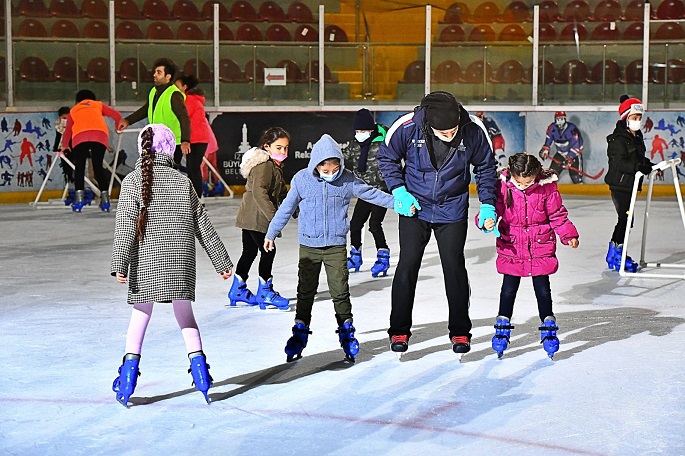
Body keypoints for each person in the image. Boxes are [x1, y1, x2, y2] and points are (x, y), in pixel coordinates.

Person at [110, 124, 233, 407]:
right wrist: (221, 262)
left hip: (146, 263)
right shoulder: (182, 181)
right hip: (180, 265)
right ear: (171, 149)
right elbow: (202, 224)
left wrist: (120, 264)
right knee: (186, 316)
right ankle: (201, 375)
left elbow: (125, 228)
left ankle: (128, 378)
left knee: (140, 314)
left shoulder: (131, 182)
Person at [377, 91, 498, 356]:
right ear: (429, 124)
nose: (450, 134)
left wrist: (488, 204)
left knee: (454, 267)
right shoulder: (407, 126)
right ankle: (399, 329)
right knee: (407, 265)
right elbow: (386, 157)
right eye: (443, 132)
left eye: (453, 129)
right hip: (415, 207)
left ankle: (460, 331)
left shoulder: (474, 129)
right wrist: (398, 190)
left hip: (452, 207)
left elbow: (486, 168)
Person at [264, 134, 395, 363]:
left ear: (339, 165)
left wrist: (399, 203)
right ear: (316, 165)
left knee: (340, 292)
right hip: (309, 246)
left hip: (335, 246)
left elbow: (371, 194)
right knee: (305, 292)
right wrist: (271, 233)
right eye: (324, 169)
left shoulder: (347, 180)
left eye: (333, 168)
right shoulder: (302, 180)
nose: (329, 173)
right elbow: (286, 208)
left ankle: (346, 334)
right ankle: (299, 333)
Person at [477, 152, 579, 360]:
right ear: (511, 174)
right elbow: (493, 209)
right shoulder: (503, 185)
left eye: (529, 181)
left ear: (537, 175)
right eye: (519, 181)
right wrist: (486, 220)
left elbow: (557, 214)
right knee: (508, 289)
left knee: (543, 290)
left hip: (539, 246)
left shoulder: (546, 187)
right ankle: (502, 322)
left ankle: (548, 323)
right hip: (512, 245)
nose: (523, 185)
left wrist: (568, 235)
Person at [229, 127, 291, 311]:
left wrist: (293, 208)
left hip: (249, 216)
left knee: (249, 252)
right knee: (268, 251)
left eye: (286, 148)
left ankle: (237, 289)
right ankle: (265, 292)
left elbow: (280, 191)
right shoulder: (264, 165)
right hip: (257, 217)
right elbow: (259, 192)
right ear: (267, 146)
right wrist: (275, 219)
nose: (283, 152)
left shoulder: (274, 165)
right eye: (278, 147)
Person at [604, 95, 655, 273]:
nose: (637, 122)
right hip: (620, 185)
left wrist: (650, 165)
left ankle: (615, 251)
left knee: (626, 220)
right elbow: (619, 164)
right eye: (634, 118)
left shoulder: (637, 137)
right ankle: (616, 253)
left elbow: (639, 158)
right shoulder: (617, 139)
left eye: (639, 118)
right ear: (625, 118)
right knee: (625, 219)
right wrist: (638, 167)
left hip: (631, 184)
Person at [341, 108, 391, 277]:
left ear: (371, 129)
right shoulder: (355, 144)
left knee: (375, 225)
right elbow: (341, 156)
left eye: (363, 131)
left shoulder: (384, 144)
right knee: (355, 224)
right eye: (357, 131)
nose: (359, 134)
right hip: (364, 191)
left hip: (381, 191)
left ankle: (383, 257)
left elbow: (395, 162)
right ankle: (355, 256)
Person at [117, 58, 191, 164]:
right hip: (159, 141)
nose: (154, 75)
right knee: (158, 176)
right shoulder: (154, 91)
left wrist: (185, 140)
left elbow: (183, 117)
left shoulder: (174, 94)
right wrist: (128, 120)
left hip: (172, 143)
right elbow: (146, 109)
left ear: (168, 77)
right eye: (155, 72)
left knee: (164, 175)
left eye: (159, 72)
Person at [61, 90, 122, 212]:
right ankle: (105, 202)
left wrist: (64, 145)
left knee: (79, 167)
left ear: (78, 101)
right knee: (97, 167)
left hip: (80, 136)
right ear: (93, 99)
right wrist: (117, 128)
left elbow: (68, 130)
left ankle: (79, 201)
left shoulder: (74, 110)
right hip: (99, 135)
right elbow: (117, 115)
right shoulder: (98, 105)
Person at [174, 74, 217, 198]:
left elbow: (181, 116)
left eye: (177, 86)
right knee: (192, 168)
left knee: (193, 168)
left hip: (197, 139)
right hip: (197, 138)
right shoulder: (191, 99)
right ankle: (195, 197)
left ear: (184, 87)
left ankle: (197, 197)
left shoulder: (189, 100)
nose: (174, 88)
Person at [538, 111, 585, 184]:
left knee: (576, 178)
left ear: (565, 119)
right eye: (558, 119)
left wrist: (570, 158)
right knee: (551, 176)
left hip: (574, 155)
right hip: (560, 154)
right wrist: (545, 149)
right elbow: (549, 139)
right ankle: (547, 194)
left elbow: (576, 145)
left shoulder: (572, 129)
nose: (560, 122)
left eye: (562, 119)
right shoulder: (552, 128)